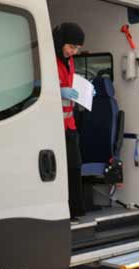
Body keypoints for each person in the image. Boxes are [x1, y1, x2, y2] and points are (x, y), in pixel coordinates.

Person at [53, 22, 86, 222]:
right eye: (71, 47)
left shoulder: (69, 60)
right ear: (61, 43)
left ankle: (74, 211)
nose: (73, 52)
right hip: (52, 126)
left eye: (76, 49)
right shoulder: (49, 58)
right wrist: (59, 92)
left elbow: (69, 82)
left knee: (74, 167)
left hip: (69, 125)